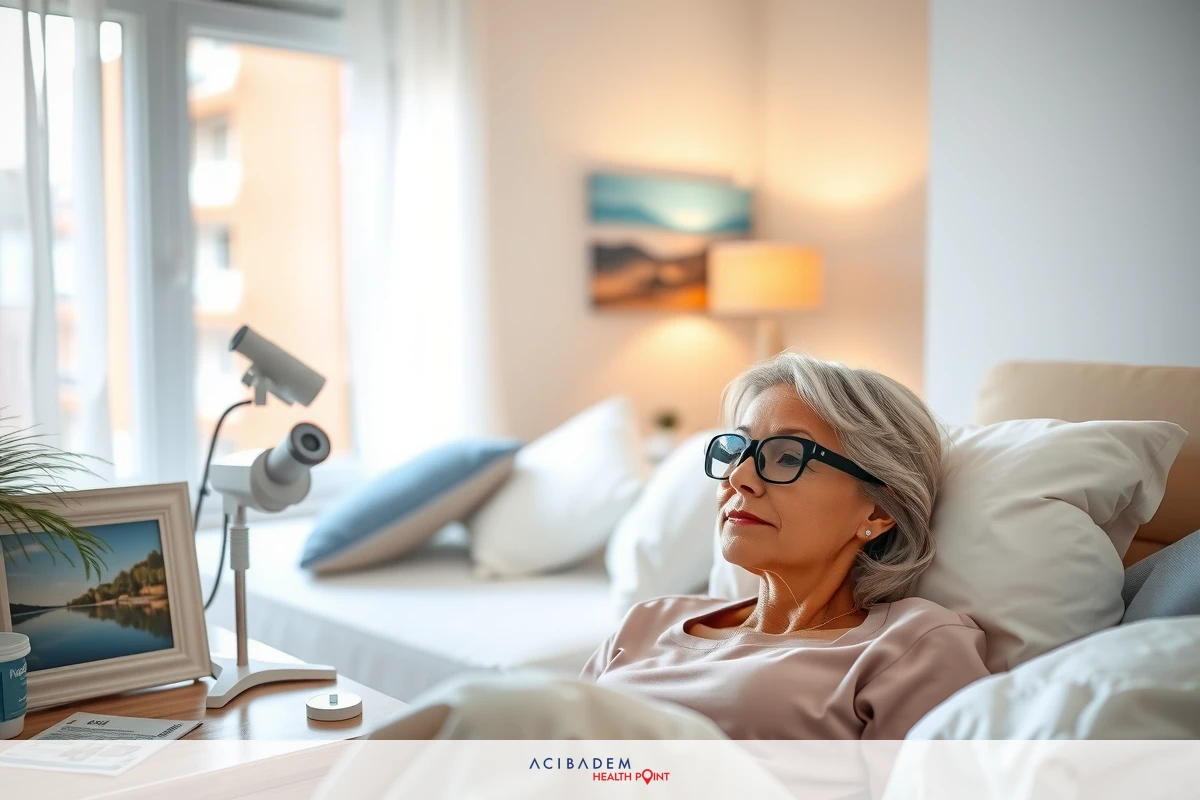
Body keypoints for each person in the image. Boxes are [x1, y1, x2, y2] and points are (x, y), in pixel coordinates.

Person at [580, 353, 991, 739]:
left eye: (789, 457)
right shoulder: (648, 620)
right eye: (738, 450)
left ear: (880, 510)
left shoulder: (914, 647)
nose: (738, 477)